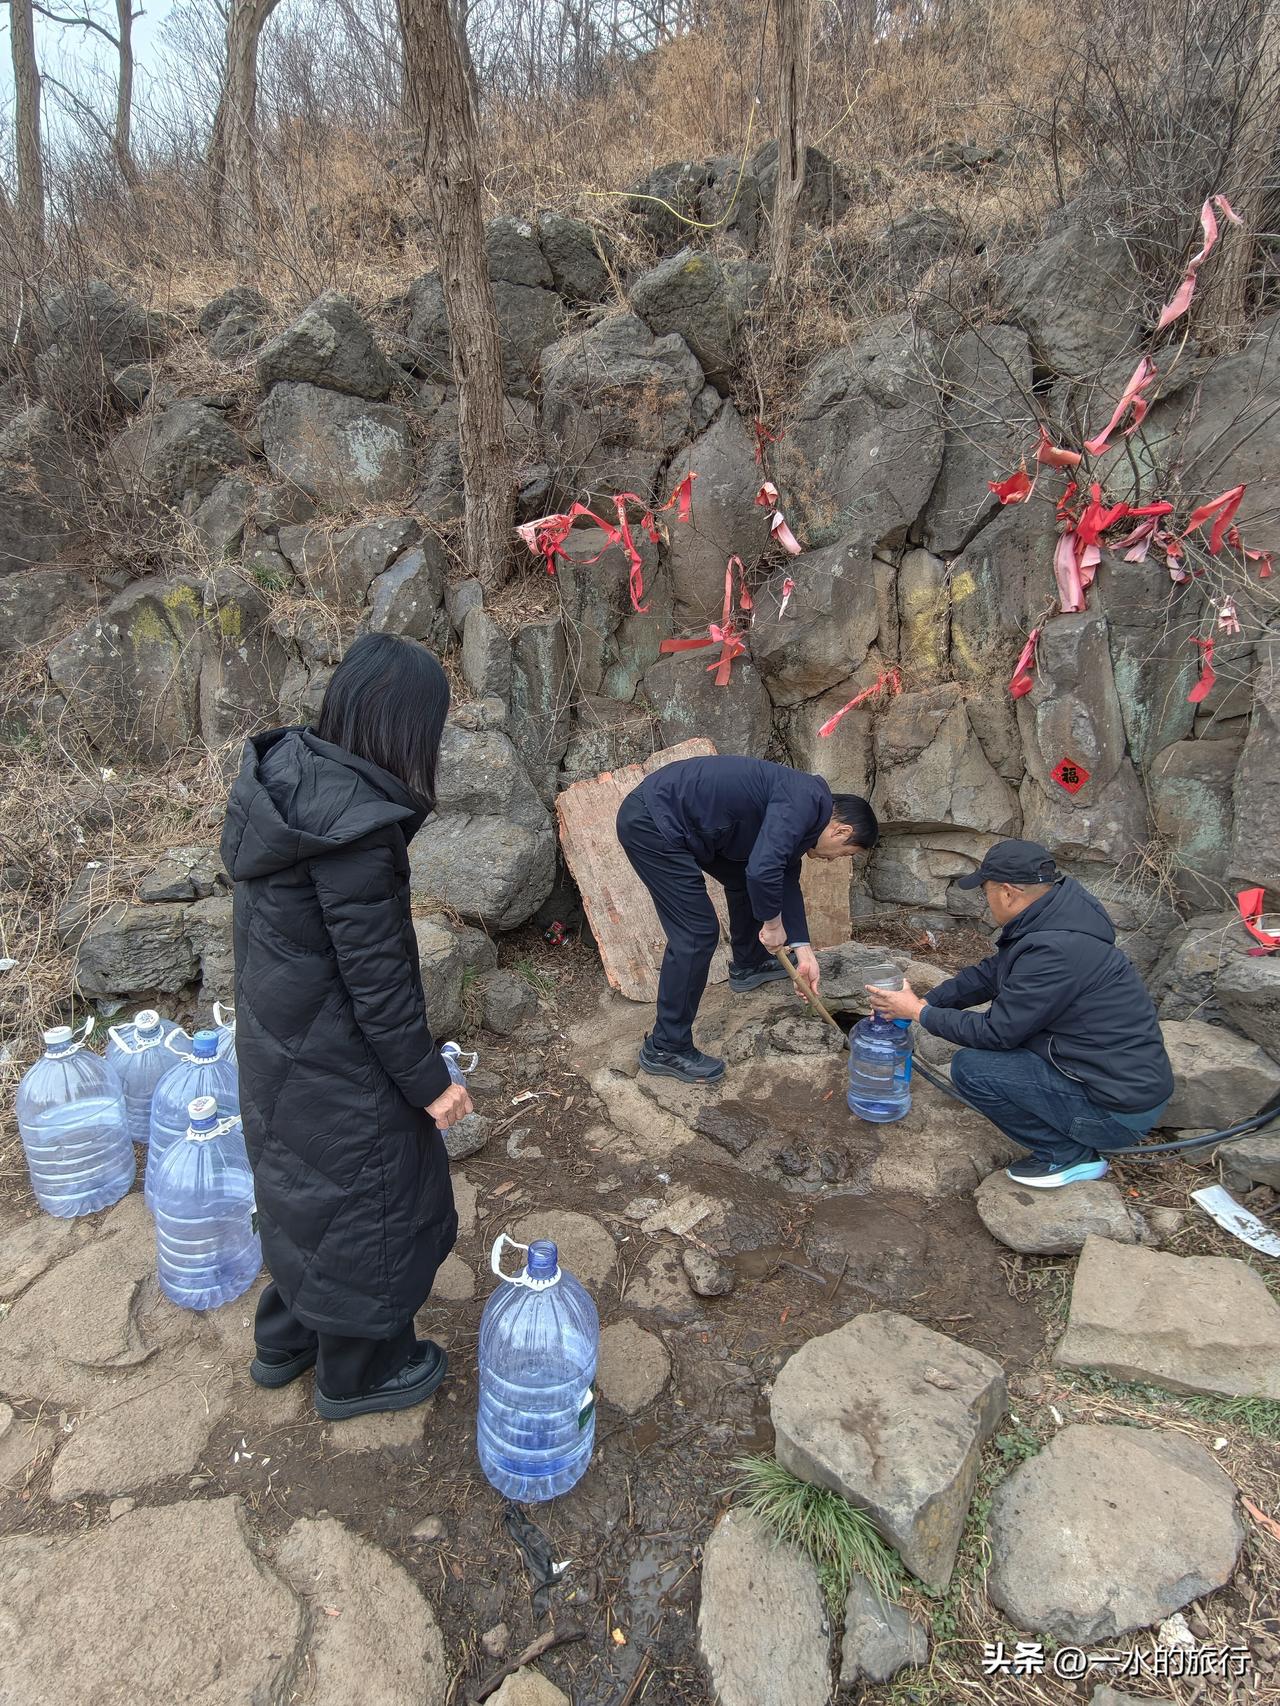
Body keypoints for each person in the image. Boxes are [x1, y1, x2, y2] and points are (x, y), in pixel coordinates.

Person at [219, 633, 473, 1421]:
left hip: (276, 1049)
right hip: (336, 1061)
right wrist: (431, 1086)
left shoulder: (289, 782)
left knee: (306, 1196)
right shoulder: (355, 833)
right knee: (373, 1203)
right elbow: (382, 989)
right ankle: (358, 1374)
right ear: (405, 729)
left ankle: (284, 1339)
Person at [866, 839, 1174, 1189]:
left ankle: (1068, 1155)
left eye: (986, 893)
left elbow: (997, 1033)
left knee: (972, 1069)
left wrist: (921, 1013)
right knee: (993, 1055)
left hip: (1114, 1113)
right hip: (1111, 1081)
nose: (986, 902)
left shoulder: (1056, 949)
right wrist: (926, 1001)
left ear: (1008, 893)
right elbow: (988, 975)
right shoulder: (1053, 921)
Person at [617, 755, 878, 1084]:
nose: (835, 860)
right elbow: (763, 870)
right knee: (696, 934)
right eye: (847, 853)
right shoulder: (805, 801)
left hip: (681, 820)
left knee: (742, 878)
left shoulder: (806, 809)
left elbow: (783, 874)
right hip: (653, 822)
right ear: (841, 831)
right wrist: (772, 925)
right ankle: (666, 1047)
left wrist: (803, 950)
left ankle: (749, 964)